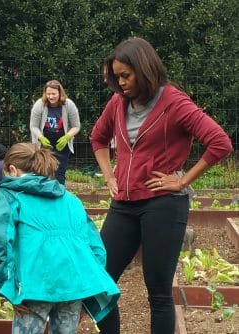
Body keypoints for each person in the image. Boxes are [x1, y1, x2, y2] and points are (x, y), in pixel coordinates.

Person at [90, 37, 233, 334]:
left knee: (157, 291)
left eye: (126, 76)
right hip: (124, 204)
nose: (121, 83)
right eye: (117, 77)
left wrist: (182, 180)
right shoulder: (118, 103)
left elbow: (220, 143)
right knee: (98, 282)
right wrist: (109, 176)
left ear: (144, 69)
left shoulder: (174, 102)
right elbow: (98, 138)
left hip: (163, 204)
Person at [0, 142, 120, 334]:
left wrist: (4, 288)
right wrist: (86, 289)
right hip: (73, 286)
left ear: (12, 170)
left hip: (33, 288)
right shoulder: (72, 200)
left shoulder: (10, 196)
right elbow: (97, 249)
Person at [30, 80, 80, 185]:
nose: (51, 97)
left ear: (60, 93)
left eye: (54, 94)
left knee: (59, 173)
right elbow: (33, 126)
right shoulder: (39, 105)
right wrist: (40, 137)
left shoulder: (69, 105)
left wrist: (67, 137)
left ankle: (58, 196)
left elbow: (76, 126)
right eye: (48, 94)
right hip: (44, 144)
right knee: (42, 172)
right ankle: (42, 197)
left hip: (62, 145)